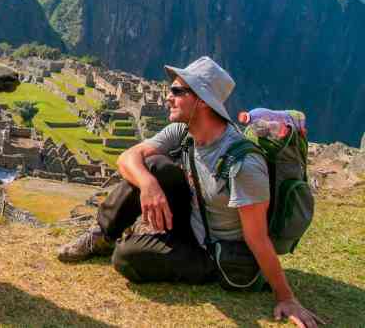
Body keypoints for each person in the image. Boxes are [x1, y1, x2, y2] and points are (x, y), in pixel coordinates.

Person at [57, 56, 323, 328]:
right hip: (192, 221)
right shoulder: (182, 132)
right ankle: (101, 237)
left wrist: (285, 296)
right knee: (152, 166)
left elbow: (258, 239)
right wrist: (149, 185)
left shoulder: (243, 164)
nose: (167, 98)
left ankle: (155, 254)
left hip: (214, 251)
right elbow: (128, 157)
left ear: (203, 101)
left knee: (127, 258)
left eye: (177, 91)